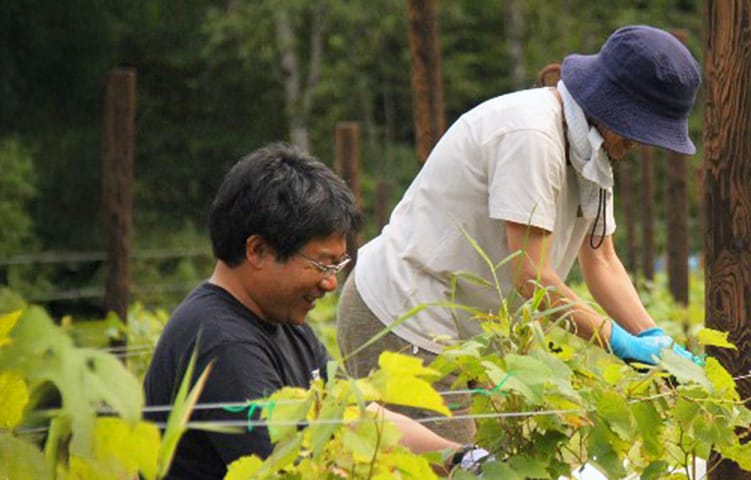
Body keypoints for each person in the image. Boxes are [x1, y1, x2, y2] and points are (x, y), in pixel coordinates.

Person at [337, 25, 702, 442]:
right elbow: (530, 277)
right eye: (641, 128)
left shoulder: (592, 149)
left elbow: (601, 259)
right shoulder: (532, 136)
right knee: (455, 463)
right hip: (403, 315)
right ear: (611, 104)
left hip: (462, 330)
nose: (642, 142)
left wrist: (654, 341)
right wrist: (617, 342)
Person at [143, 144, 488, 479]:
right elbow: (292, 470)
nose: (330, 284)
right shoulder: (223, 343)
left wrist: (462, 458)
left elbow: (356, 413)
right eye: (321, 264)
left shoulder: (282, 321)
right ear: (258, 250)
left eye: (336, 266)